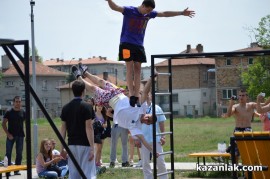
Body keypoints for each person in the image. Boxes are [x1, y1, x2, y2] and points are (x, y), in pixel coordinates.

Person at [106, 0, 195, 107]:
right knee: (130, 68)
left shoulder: (149, 13)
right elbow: (115, 7)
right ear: (143, 5)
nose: (147, 13)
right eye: (147, 10)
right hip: (126, 44)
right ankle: (132, 94)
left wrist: (181, 13)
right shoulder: (130, 10)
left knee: (138, 69)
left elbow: (164, 14)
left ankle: (136, 95)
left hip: (139, 45)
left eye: (150, 11)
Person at [72, 63, 158, 156]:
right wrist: (151, 78)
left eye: (147, 121)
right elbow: (145, 92)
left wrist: (152, 151)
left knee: (93, 88)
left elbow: (143, 140)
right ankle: (86, 72)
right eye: (148, 117)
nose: (146, 119)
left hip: (110, 99)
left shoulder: (136, 127)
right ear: (148, 114)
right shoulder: (143, 109)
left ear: (147, 124)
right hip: (118, 93)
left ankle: (79, 77)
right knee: (101, 81)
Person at [60, 80, 96, 179]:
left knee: (73, 175)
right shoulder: (87, 106)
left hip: (71, 145)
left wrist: (62, 148)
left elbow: (63, 129)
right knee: (88, 174)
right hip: (85, 144)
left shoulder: (65, 108)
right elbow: (89, 128)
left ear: (72, 91)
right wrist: (92, 148)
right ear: (84, 91)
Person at [141, 93, 167, 179]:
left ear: (151, 96)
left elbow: (161, 123)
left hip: (156, 139)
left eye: (148, 94)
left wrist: (163, 136)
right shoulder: (139, 108)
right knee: (145, 162)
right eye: (145, 94)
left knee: (160, 161)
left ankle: (163, 177)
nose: (147, 95)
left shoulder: (157, 108)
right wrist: (136, 139)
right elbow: (136, 125)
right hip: (144, 140)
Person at [1, 96, 25, 176]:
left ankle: (16, 170)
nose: (18, 103)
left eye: (19, 102)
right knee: (8, 153)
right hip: (10, 135)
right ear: (13, 102)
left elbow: (26, 123)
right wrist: (8, 134)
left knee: (19, 153)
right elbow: (3, 123)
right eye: (16, 101)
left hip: (20, 135)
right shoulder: (9, 112)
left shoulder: (23, 112)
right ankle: (7, 170)